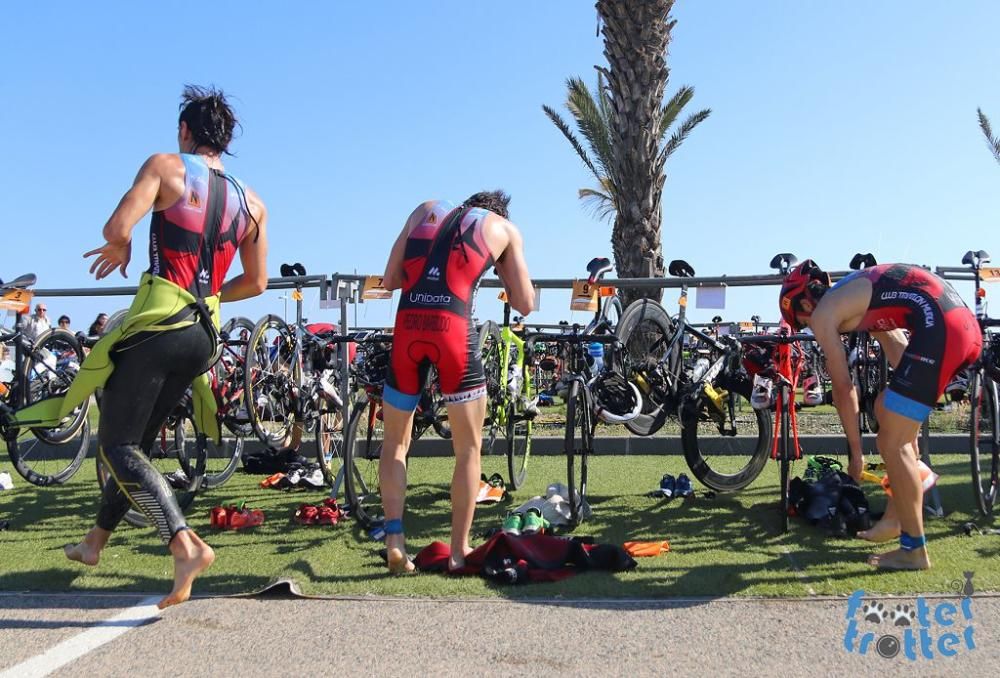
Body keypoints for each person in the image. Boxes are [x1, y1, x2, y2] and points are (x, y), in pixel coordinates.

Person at [56, 85, 269, 607]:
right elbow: (258, 282)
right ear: (226, 140)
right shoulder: (253, 202)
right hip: (203, 336)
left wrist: (122, 239)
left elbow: (115, 225)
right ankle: (94, 542)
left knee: (115, 447)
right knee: (136, 444)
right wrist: (211, 290)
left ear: (184, 131)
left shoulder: (166, 166)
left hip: (160, 325)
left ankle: (185, 544)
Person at [779, 260, 980, 570]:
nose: (812, 330)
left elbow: (844, 388)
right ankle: (896, 515)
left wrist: (856, 455)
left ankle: (913, 550)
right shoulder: (858, 298)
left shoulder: (823, 313)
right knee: (887, 409)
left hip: (942, 328)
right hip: (959, 325)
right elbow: (900, 350)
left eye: (803, 324)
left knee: (892, 441)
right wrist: (905, 418)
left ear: (805, 303)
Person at [379, 191, 534, 574]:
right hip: (454, 333)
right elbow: (525, 303)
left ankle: (395, 539)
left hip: (408, 329)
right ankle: (458, 551)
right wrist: (498, 266)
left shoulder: (424, 209)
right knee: (468, 449)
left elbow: (390, 278)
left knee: (395, 442)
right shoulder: (504, 230)